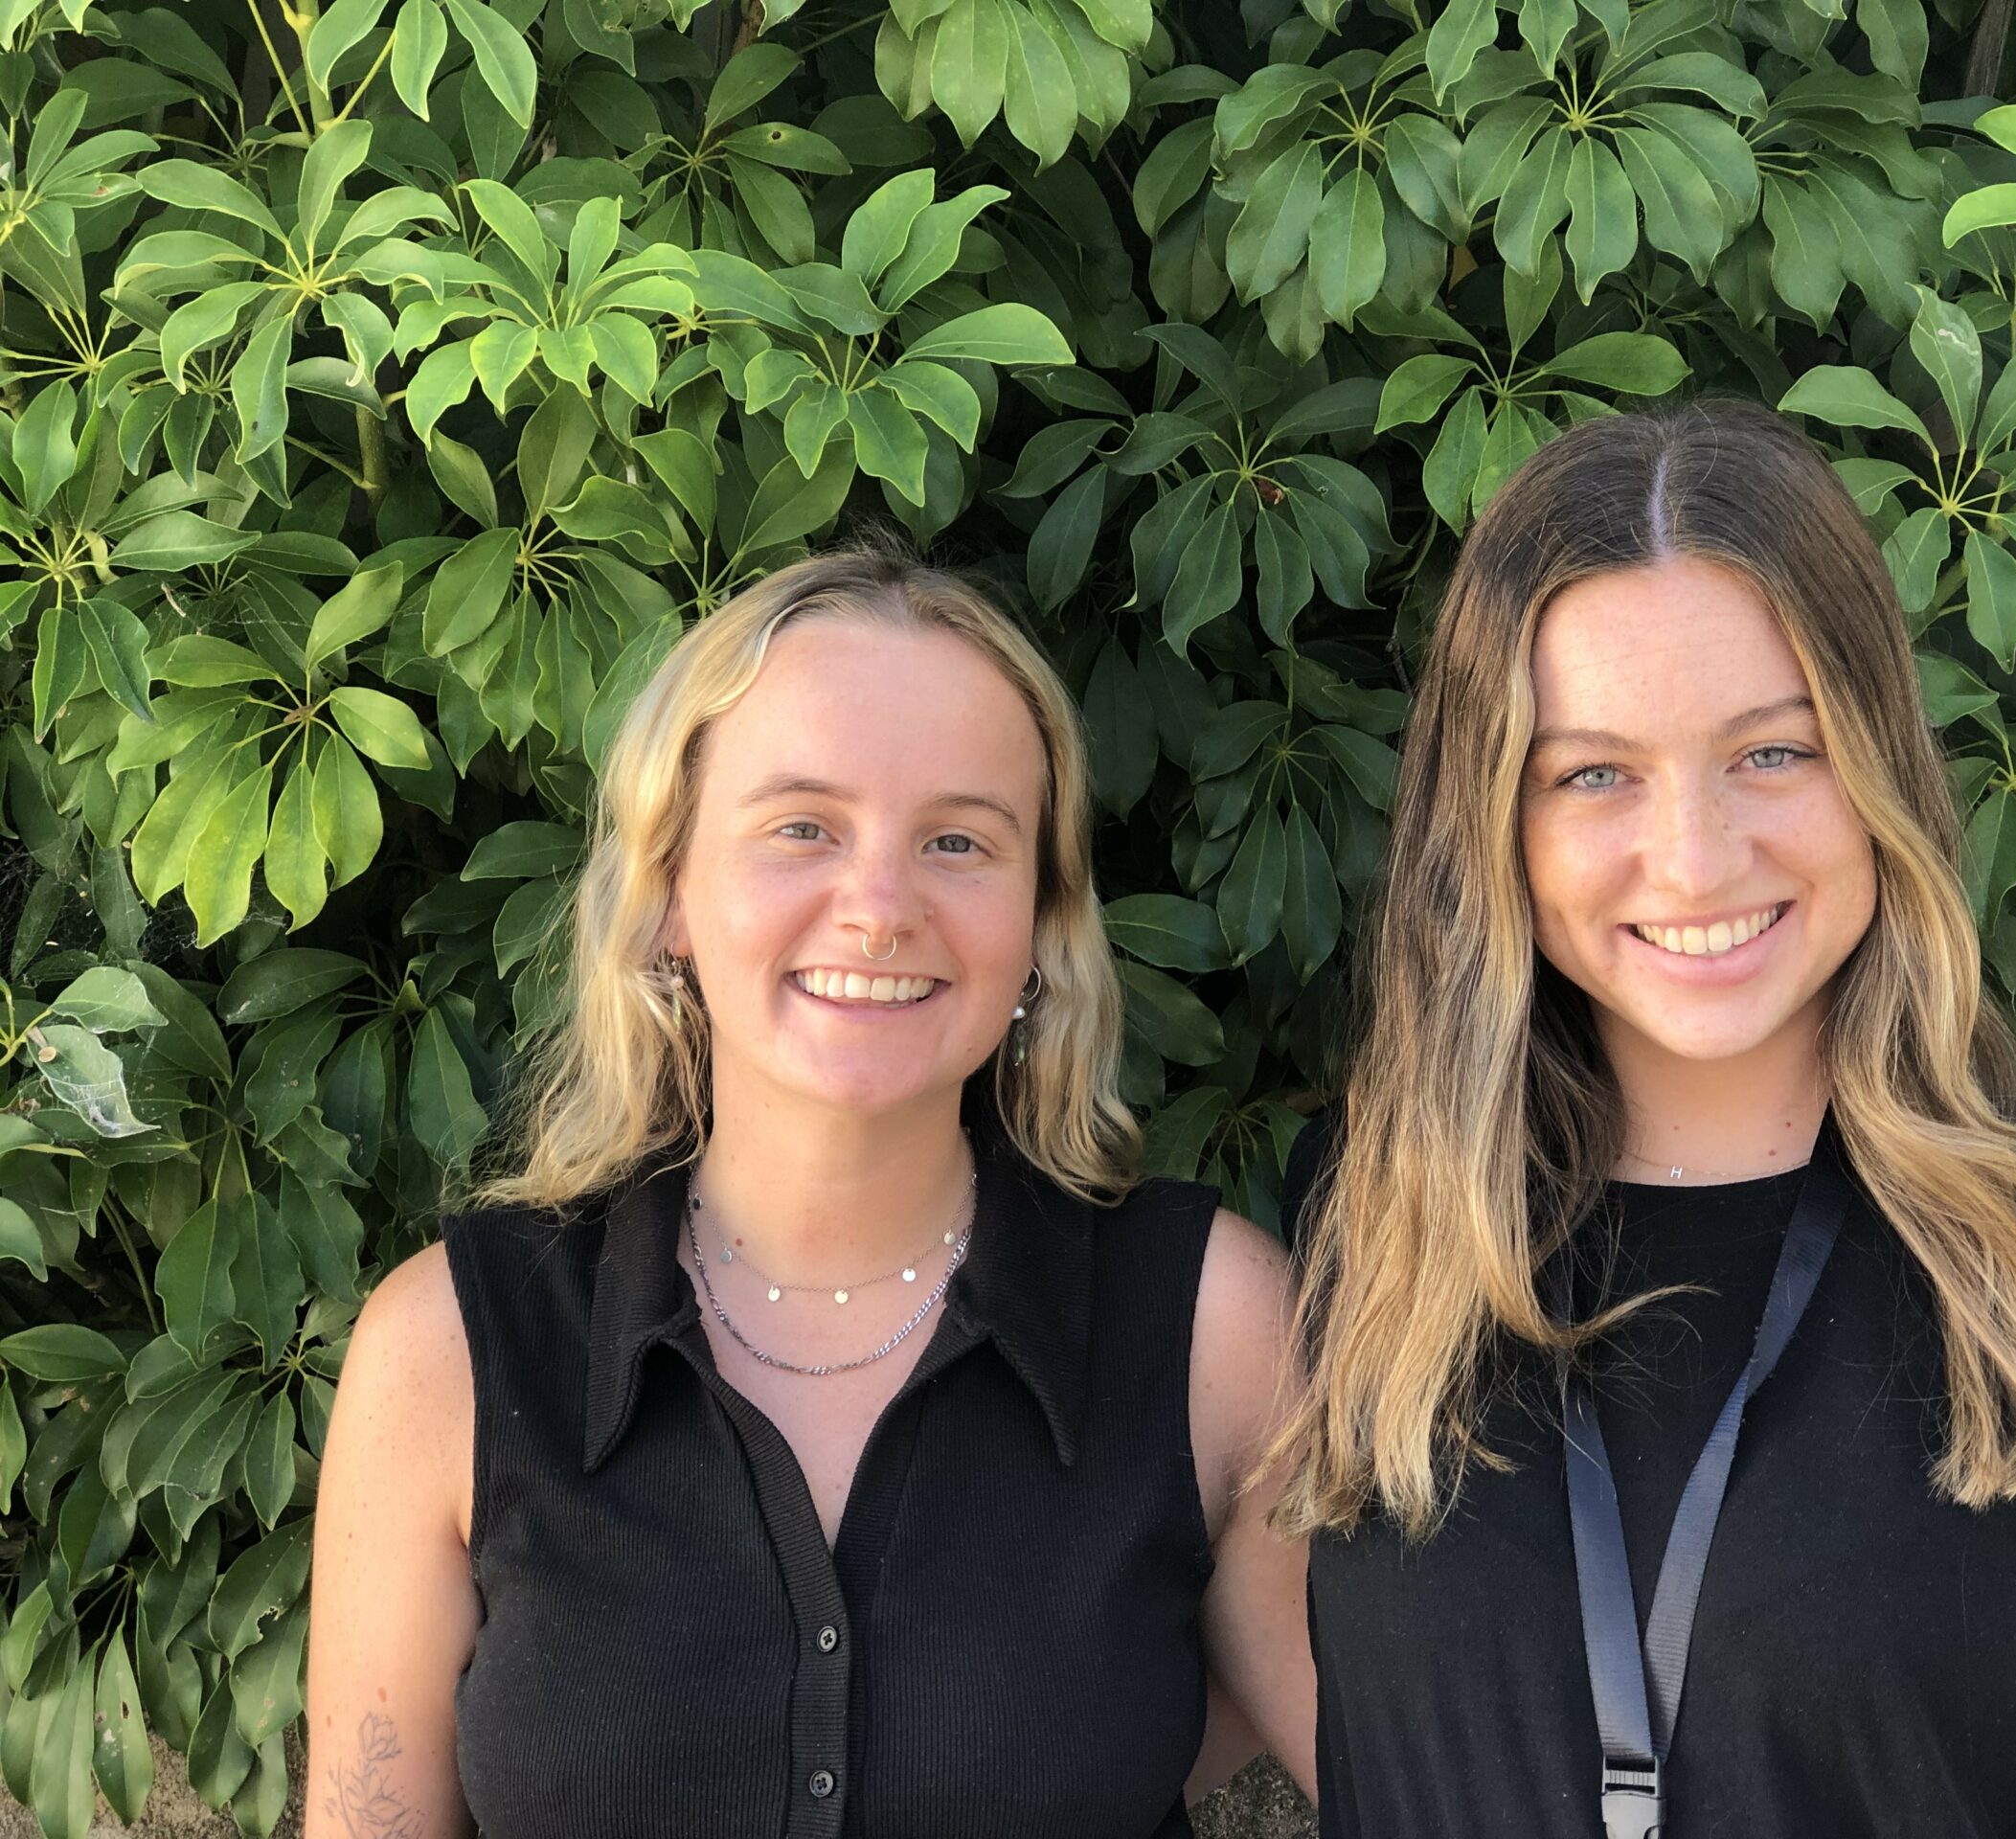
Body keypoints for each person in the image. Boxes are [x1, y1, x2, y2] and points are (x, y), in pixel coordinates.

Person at [1273, 400, 2016, 1838]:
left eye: (1774, 751)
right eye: (1593, 774)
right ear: (1491, 818)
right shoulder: (1364, 1228)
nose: (1695, 857)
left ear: (1879, 762)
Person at [306, 545, 1316, 1837]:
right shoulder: (446, 1351)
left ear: (1041, 925)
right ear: (670, 893)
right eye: (802, 828)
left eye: (960, 840)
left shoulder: (1214, 1330)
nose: (880, 905)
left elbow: (1429, 1772)